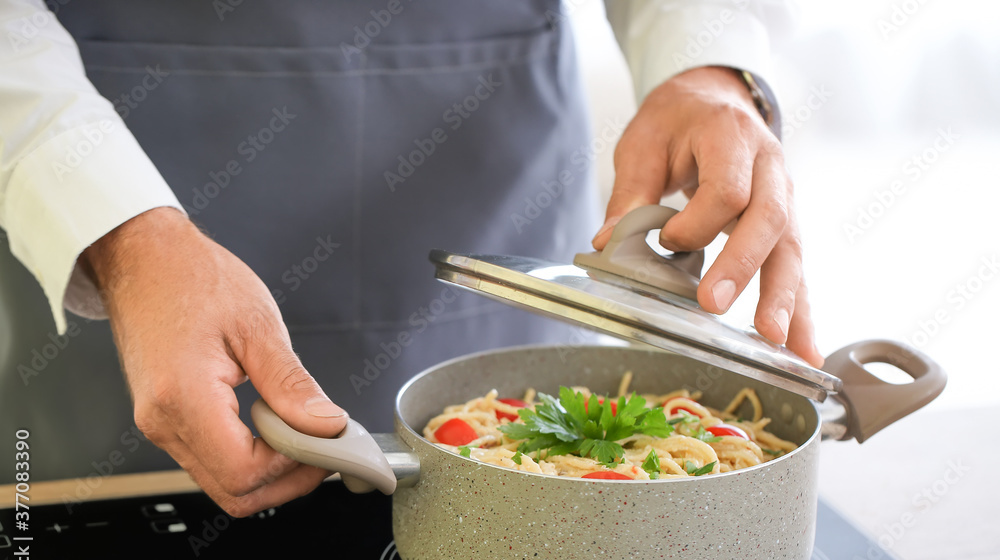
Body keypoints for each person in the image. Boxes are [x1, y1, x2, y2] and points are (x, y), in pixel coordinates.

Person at [0, 0, 820, 516]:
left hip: (488, 149)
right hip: (110, 162)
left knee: (533, 486)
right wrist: (124, 235)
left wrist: (710, 63)